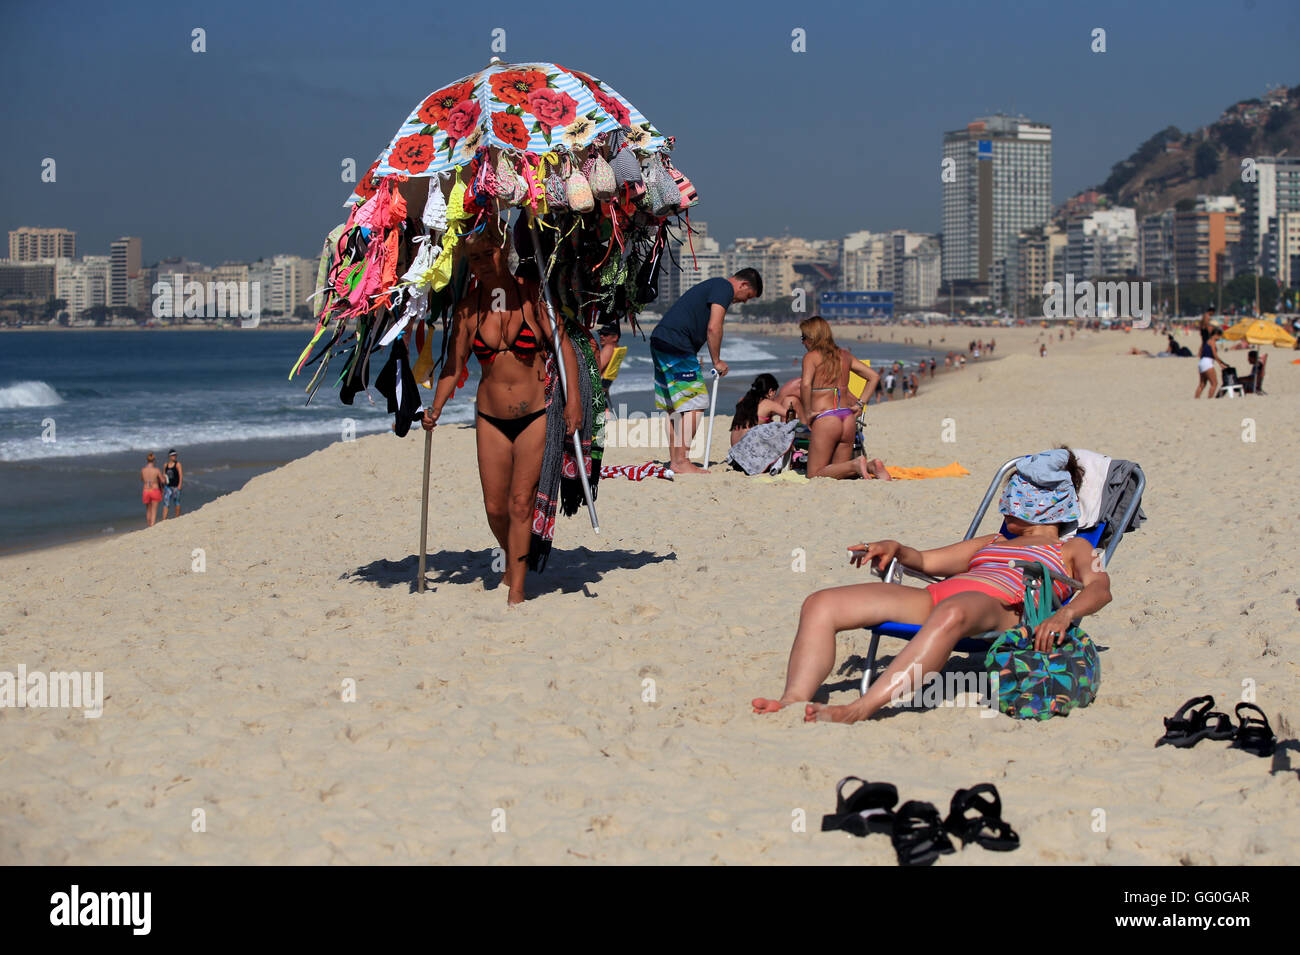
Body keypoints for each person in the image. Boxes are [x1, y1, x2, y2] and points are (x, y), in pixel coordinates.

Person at [752, 448, 1111, 722]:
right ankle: (793, 699)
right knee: (821, 603)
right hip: (937, 599)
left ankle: (861, 707)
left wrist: (1064, 615)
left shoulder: (1075, 548)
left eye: (1011, 501)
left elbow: (1100, 588)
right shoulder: (992, 542)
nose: (1004, 510)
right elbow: (925, 562)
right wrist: (894, 548)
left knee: (953, 610)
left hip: (1003, 609)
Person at [421, 223, 583, 605]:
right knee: (495, 507)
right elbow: (452, 366)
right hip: (489, 418)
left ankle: (519, 590)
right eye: (473, 259)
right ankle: (513, 556)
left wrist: (573, 401)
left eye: (487, 254)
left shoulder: (532, 296)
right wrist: (436, 407)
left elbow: (564, 349)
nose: (480, 264)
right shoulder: (467, 310)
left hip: (535, 415)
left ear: (504, 249)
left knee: (519, 503)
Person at [650, 269, 762, 475]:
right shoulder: (724, 287)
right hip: (677, 343)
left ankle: (676, 460)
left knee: (675, 406)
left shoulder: (713, 286)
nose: (744, 302)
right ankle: (682, 460)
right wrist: (716, 360)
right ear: (744, 285)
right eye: (747, 297)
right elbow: (714, 326)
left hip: (661, 339)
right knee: (696, 403)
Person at [797, 316, 887, 480]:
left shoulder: (811, 357)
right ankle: (870, 466)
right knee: (838, 473)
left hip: (826, 418)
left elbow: (805, 385)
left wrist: (808, 412)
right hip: (847, 418)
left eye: (803, 337)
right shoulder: (844, 355)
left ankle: (856, 463)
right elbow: (874, 376)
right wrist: (860, 404)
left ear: (812, 337)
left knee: (814, 474)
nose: (802, 342)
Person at [731, 373, 801, 446]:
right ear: (770, 392)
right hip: (749, 451)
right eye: (775, 393)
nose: (774, 397)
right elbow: (792, 415)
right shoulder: (768, 404)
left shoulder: (742, 400)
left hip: (735, 450)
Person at [1194, 326, 1226, 399]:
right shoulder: (1212, 342)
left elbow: (1200, 353)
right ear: (1216, 335)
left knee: (1202, 384)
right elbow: (1214, 354)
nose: (1220, 338)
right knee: (1214, 383)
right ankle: (1210, 399)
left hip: (1201, 362)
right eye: (1219, 336)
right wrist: (1221, 363)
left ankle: (1196, 398)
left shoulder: (1207, 341)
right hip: (1207, 362)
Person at [596, 323, 621, 402]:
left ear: (615, 337)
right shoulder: (616, 348)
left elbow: (595, 370)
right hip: (604, 389)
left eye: (605, 334)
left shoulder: (609, 348)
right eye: (600, 333)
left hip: (595, 390)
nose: (601, 336)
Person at [140, 452, 165, 527]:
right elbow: (162, 480)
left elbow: (142, 479)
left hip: (146, 490)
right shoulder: (156, 470)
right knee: (154, 510)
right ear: (154, 461)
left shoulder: (143, 470)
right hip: (154, 490)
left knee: (148, 510)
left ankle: (149, 525)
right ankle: (152, 524)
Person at [161, 449, 183, 520]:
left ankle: (177, 518)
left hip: (176, 486)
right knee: (166, 502)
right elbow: (163, 475)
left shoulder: (178, 464)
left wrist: (179, 485)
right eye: (173, 455)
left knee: (176, 502)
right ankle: (164, 519)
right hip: (168, 487)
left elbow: (180, 475)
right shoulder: (166, 465)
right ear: (169, 456)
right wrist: (162, 485)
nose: (174, 457)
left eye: (175, 455)